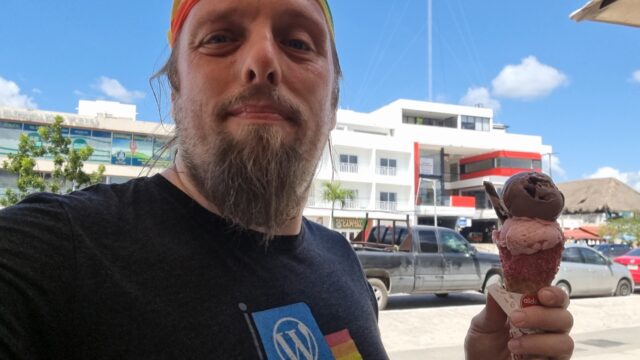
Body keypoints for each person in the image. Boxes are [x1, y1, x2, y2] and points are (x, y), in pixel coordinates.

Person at [0, 0, 573, 359]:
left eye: (298, 42)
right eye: (220, 37)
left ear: (333, 96)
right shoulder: (56, 254)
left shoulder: (341, 260)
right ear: (175, 88)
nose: (263, 62)